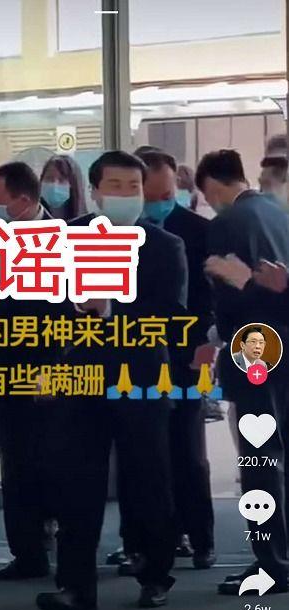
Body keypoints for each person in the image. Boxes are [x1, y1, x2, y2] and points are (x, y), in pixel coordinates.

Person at [36, 150, 188, 610]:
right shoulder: (67, 239)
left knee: (148, 479)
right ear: (96, 192)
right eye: (115, 186)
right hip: (80, 376)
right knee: (77, 483)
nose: (125, 195)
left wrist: (110, 308)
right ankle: (76, 587)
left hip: (141, 379)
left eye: (133, 187)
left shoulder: (164, 246)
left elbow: (171, 317)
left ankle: (155, 573)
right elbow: (44, 306)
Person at [0, 161, 75, 581]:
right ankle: (28, 553)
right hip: (5, 368)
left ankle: (64, 544)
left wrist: (54, 369)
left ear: (23, 200)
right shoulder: (6, 241)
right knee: (14, 459)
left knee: (54, 458)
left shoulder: (63, 242)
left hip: (50, 368)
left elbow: (69, 316)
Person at [196, 148, 289, 596]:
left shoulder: (226, 223)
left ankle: (271, 563)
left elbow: (229, 298)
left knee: (259, 458)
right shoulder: (278, 212)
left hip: (255, 348)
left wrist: (215, 336)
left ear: (212, 188)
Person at [136, 148, 216, 570]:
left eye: (168, 194)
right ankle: (152, 542)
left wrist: (208, 344)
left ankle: (201, 538)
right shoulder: (118, 235)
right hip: (137, 359)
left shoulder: (200, 231)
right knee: (145, 456)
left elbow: (212, 296)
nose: (162, 202)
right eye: (153, 196)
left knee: (188, 451)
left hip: (187, 356)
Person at [40, 154, 86, 221]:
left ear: (73, 184)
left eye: (62, 180)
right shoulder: (31, 219)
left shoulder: (86, 222)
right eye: (49, 178)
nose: (54, 185)